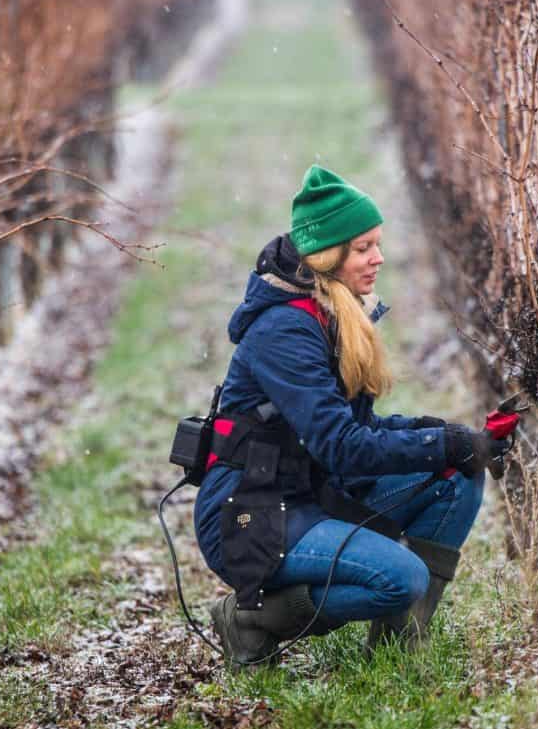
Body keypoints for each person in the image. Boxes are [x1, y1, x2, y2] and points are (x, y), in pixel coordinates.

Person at [193, 164, 511, 664]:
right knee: (402, 577)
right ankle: (251, 619)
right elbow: (342, 445)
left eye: (376, 244)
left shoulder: (335, 313)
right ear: (328, 255)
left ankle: (396, 644)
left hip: (316, 493)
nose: (378, 258)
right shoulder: (284, 330)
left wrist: (452, 440)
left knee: (457, 476)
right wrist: (442, 442)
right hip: (253, 514)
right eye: (363, 248)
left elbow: (359, 432)